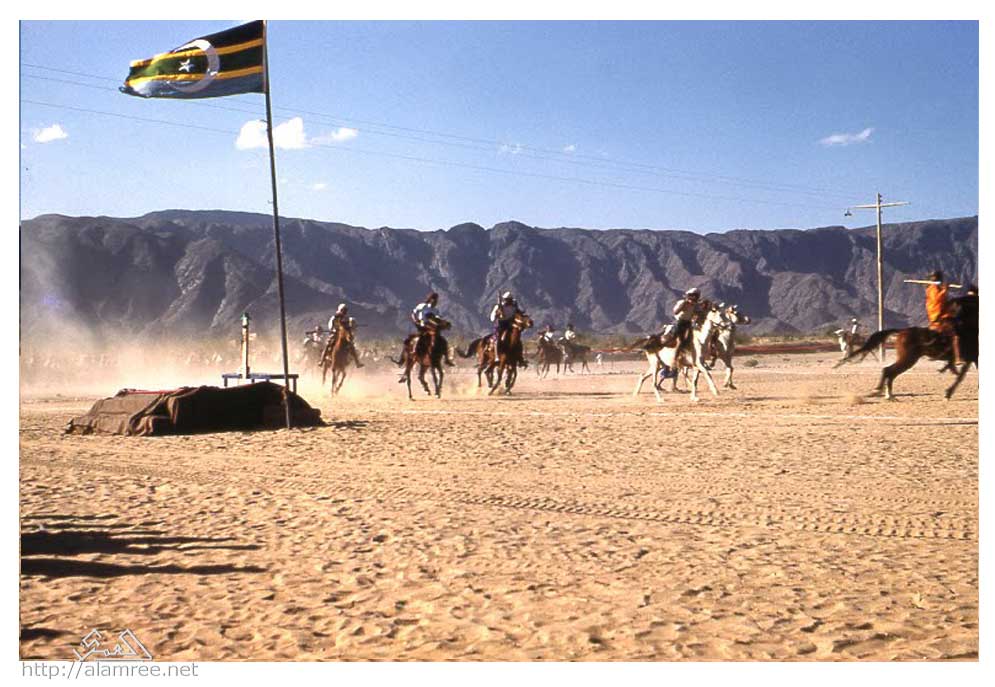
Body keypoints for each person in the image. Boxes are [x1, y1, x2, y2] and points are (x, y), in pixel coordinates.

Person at [408, 292, 455, 366]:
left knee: (442, 340)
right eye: (435, 300)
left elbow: (438, 319)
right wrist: (415, 320)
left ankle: (446, 358)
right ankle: (414, 351)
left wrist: (445, 323)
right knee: (421, 337)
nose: (436, 302)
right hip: (422, 326)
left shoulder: (436, 310)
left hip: (431, 327)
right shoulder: (423, 306)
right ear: (431, 299)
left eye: (437, 300)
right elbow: (413, 313)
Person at [489, 291, 527, 366]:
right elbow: (492, 317)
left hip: (510, 324)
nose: (508, 301)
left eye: (509, 299)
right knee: (497, 339)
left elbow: (519, 313)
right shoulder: (498, 307)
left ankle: (520, 358)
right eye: (507, 299)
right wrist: (497, 314)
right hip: (501, 325)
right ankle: (496, 356)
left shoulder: (514, 307)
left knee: (517, 339)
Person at [661, 287, 703, 352]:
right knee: (677, 335)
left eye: (696, 296)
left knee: (692, 336)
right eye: (693, 295)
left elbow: (699, 313)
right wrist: (683, 306)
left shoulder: (696, 305)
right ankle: (669, 345)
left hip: (688, 322)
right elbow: (675, 312)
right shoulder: (682, 302)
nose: (694, 297)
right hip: (680, 322)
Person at [328, 303, 364, 368]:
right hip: (335, 334)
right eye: (343, 310)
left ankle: (357, 362)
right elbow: (330, 325)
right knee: (328, 344)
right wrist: (334, 329)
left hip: (343, 335)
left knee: (351, 346)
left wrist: (351, 327)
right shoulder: (334, 317)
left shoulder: (346, 318)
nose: (345, 311)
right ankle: (323, 359)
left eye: (345, 310)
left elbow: (348, 326)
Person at [951, 284, 978, 365]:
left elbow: (956, 312)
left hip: (963, 326)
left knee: (956, 338)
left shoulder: (961, 300)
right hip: (976, 326)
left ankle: (958, 357)